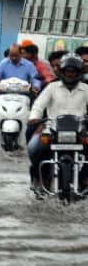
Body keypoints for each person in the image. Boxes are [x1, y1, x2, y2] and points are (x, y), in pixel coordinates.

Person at [26, 54, 88, 191]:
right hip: (52, 130)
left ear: (79, 73)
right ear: (62, 72)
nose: (70, 74)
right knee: (33, 148)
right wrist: (34, 117)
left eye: (73, 72)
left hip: (79, 132)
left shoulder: (85, 89)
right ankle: (38, 176)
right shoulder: (52, 87)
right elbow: (38, 105)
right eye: (68, 71)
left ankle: (84, 178)